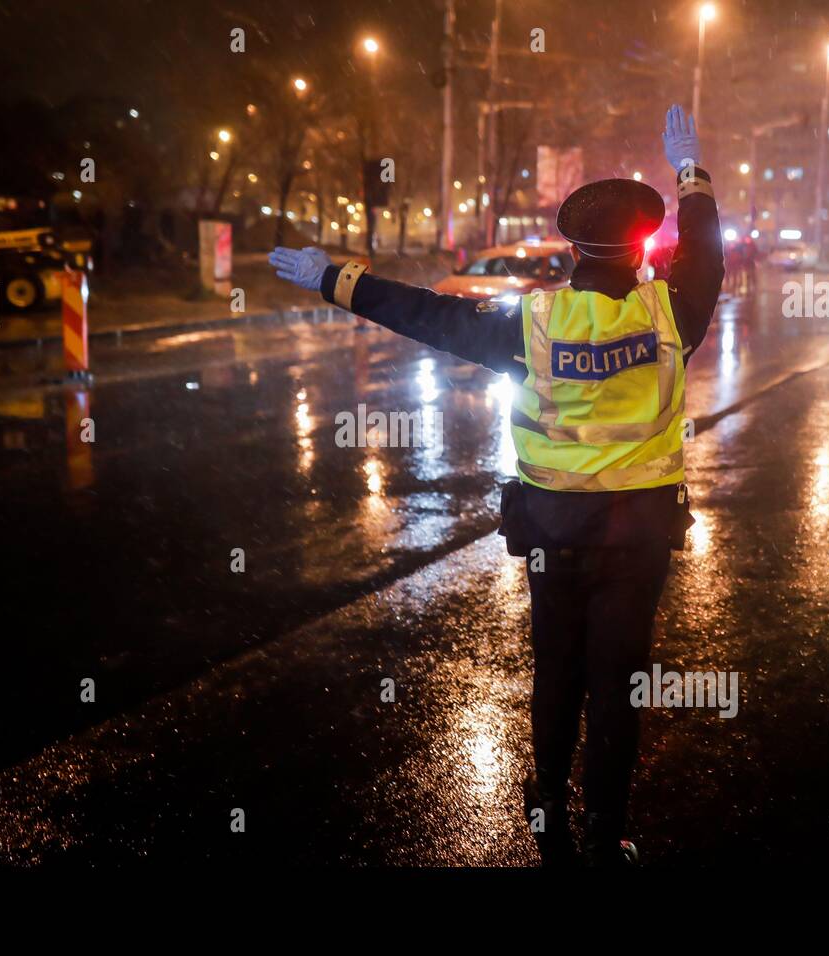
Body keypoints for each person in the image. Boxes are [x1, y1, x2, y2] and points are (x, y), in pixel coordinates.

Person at [269, 104, 723, 867]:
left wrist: (335, 279)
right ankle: (607, 834)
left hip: (553, 537)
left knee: (558, 672)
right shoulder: (670, 313)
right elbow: (706, 256)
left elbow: (428, 316)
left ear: (571, 246)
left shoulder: (532, 324)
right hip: (640, 538)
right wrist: (691, 174)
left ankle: (547, 813)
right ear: (644, 247)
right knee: (618, 685)